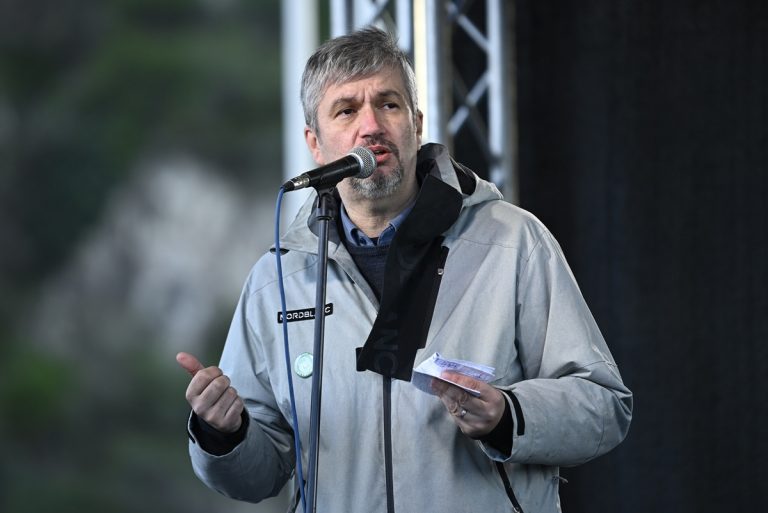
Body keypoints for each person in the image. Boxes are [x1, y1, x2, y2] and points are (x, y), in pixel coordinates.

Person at [177, 27, 632, 513]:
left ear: (416, 123)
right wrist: (224, 434)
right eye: (346, 110)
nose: (371, 126)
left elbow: (604, 405)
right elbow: (258, 476)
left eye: (388, 104)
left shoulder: (513, 241)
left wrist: (508, 415)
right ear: (315, 144)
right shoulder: (276, 281)